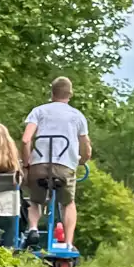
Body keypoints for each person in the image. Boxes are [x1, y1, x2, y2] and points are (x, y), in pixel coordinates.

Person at [22, 76, 92, 246]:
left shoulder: (38, 111)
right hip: (65, 165)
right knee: (68, 203)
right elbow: (86, 147)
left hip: (39, 164)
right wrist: (82, 160)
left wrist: (26, 164)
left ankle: (33, 229)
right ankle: (68, 242)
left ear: (52, 93)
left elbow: (25, 140)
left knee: (35, 200)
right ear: (70, 95)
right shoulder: (77, 116)